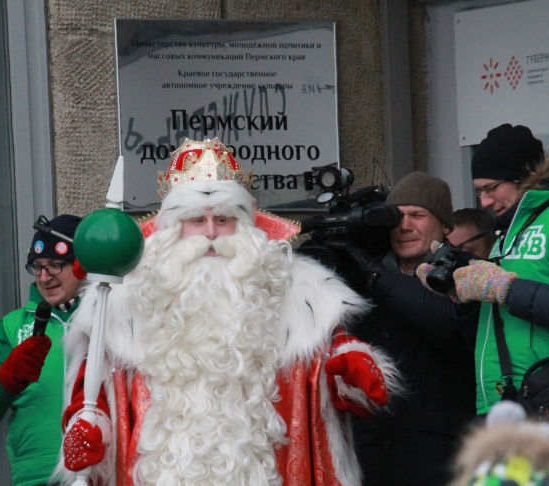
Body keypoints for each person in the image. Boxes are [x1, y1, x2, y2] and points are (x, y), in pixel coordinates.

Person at [52, 138, 401, 486]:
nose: (210, 234)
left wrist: (350, 368)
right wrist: (88, 427)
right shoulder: (124, 300)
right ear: (171, 228)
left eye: (222, 219)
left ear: (247, 224)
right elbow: (91, 390)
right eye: (195, 220)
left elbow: (335, 378)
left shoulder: (297, 292)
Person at [420, 123, 549, 417]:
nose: (485, 202)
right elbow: (495, 326)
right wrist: (461, 296)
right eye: (479, 192)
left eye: (491, 188)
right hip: (505, 402)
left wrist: (507, 288)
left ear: (525, 176)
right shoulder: (508, 231)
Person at [340, 171, 477, 486]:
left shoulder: (466, 271)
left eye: (417, 215)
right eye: (396, 217)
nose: (405, 226)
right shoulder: (363, 274)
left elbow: (444, 324)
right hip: (369, 455)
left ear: (444, 226)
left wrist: (377, 277)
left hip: (438, 458)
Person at [0, 214, 85, 486]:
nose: (44, 278)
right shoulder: (11, 326)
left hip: (106, 473)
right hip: (38, 479)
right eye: (37, 267)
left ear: (83, 265)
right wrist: (8, 377)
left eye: (55, 265)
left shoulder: (114, 318)